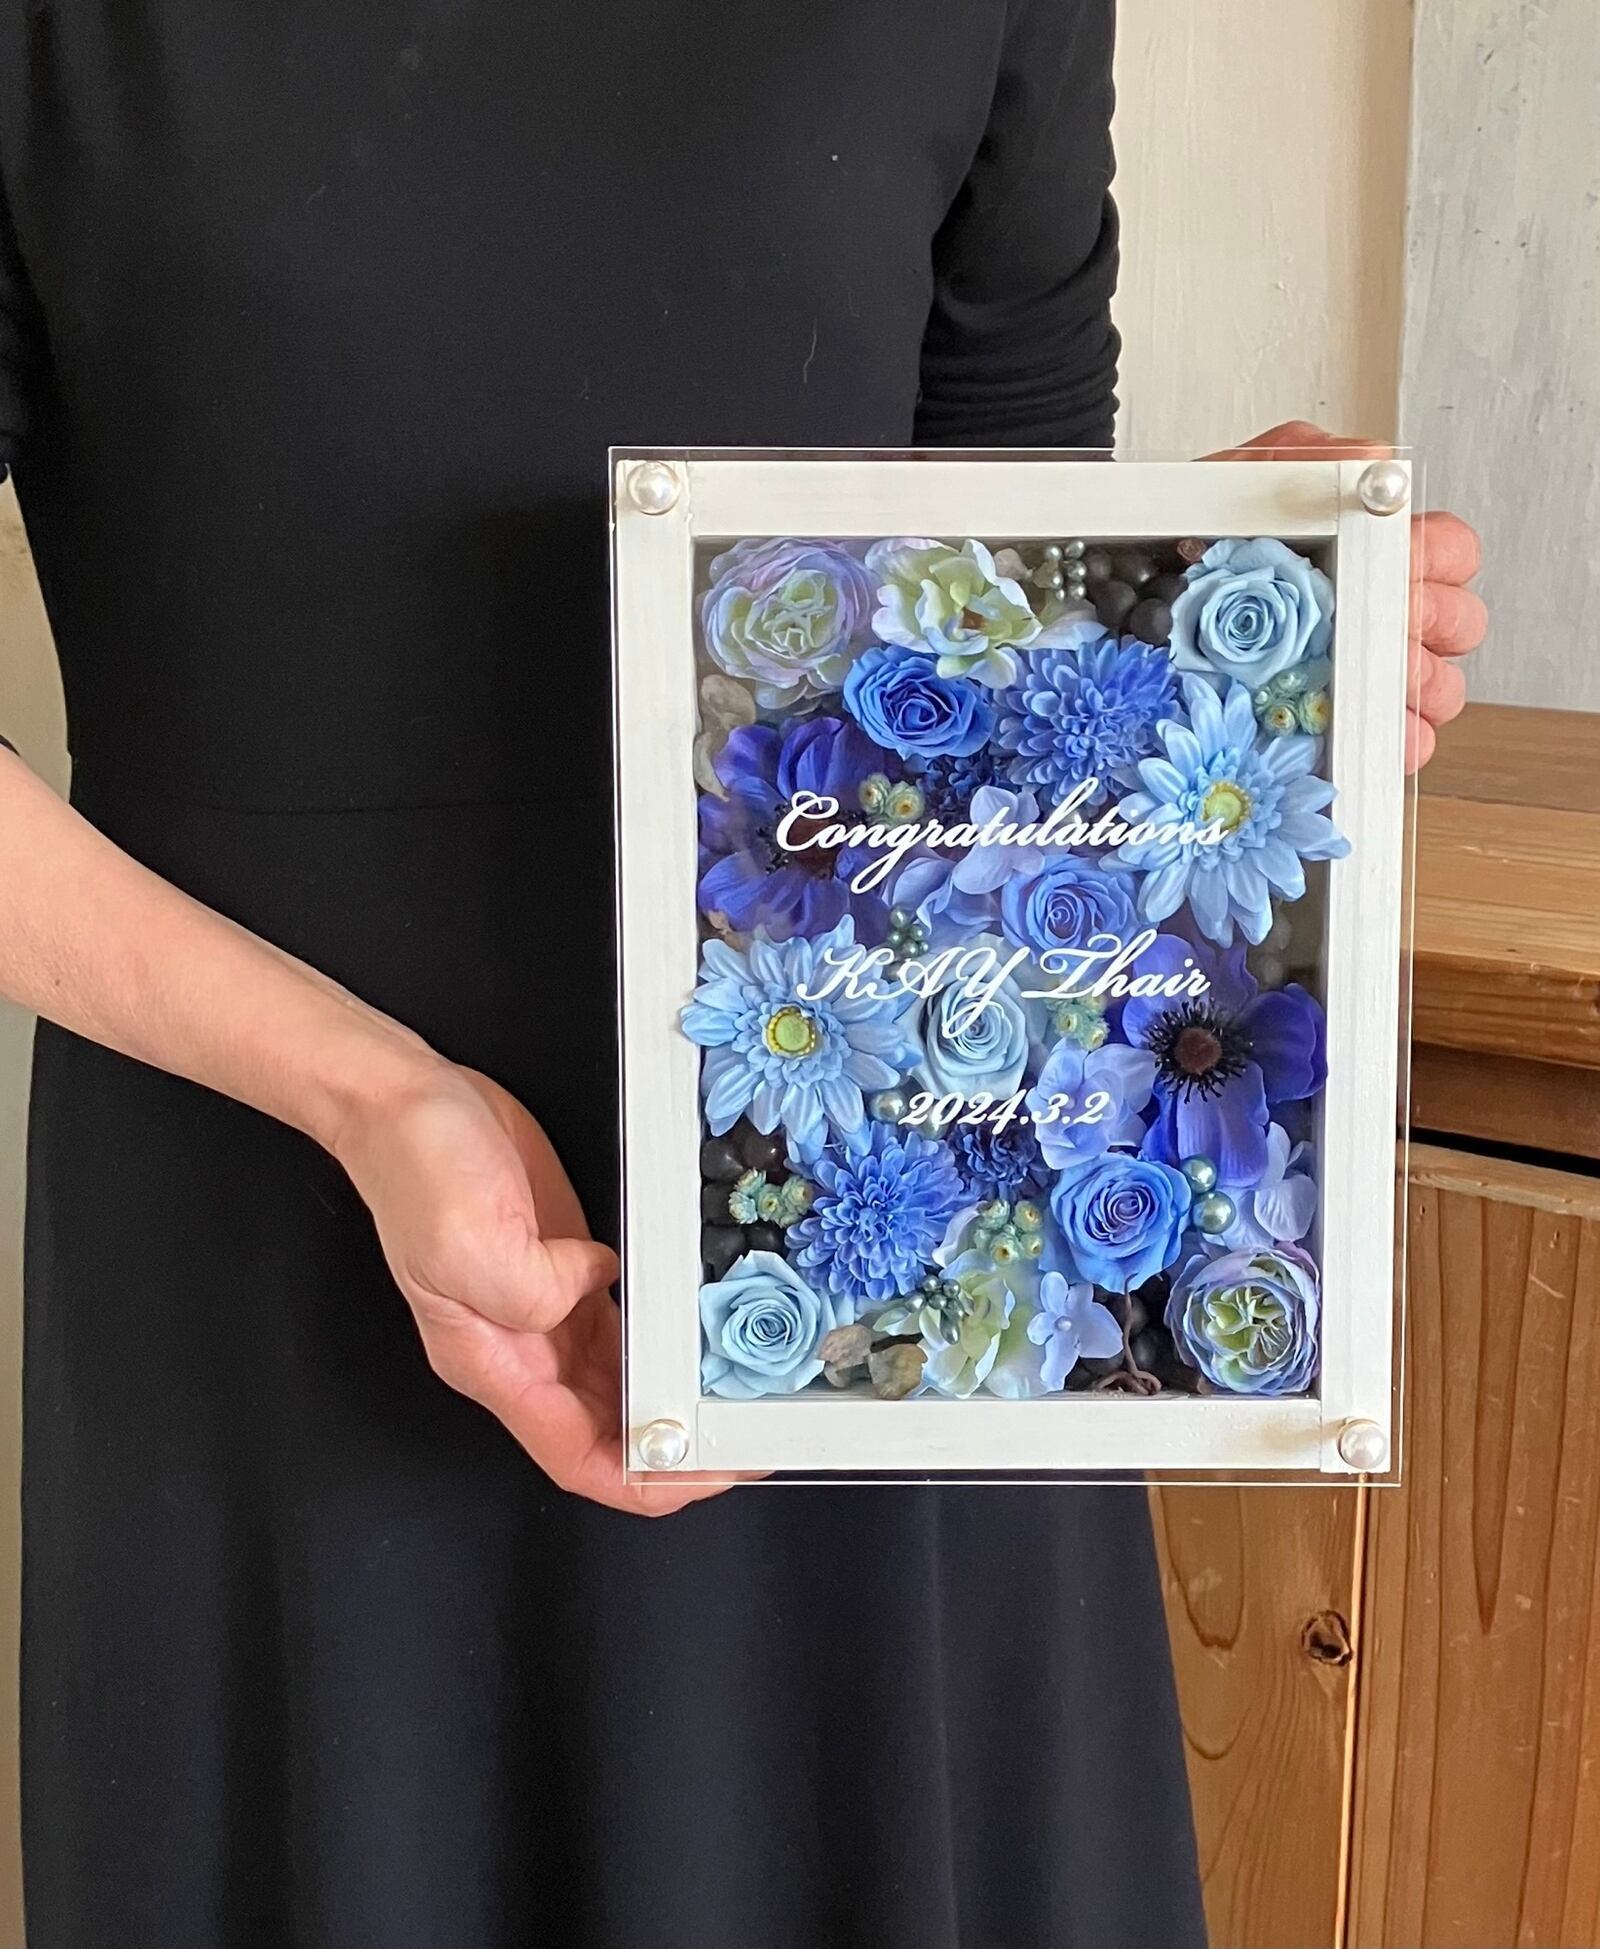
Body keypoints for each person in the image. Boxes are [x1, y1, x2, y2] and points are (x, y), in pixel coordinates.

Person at [0, 4, 1483, 1944]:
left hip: (878, 1263)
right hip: (264, 1234)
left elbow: (980, 590)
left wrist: (1216, 628)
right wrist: (369, 1095)